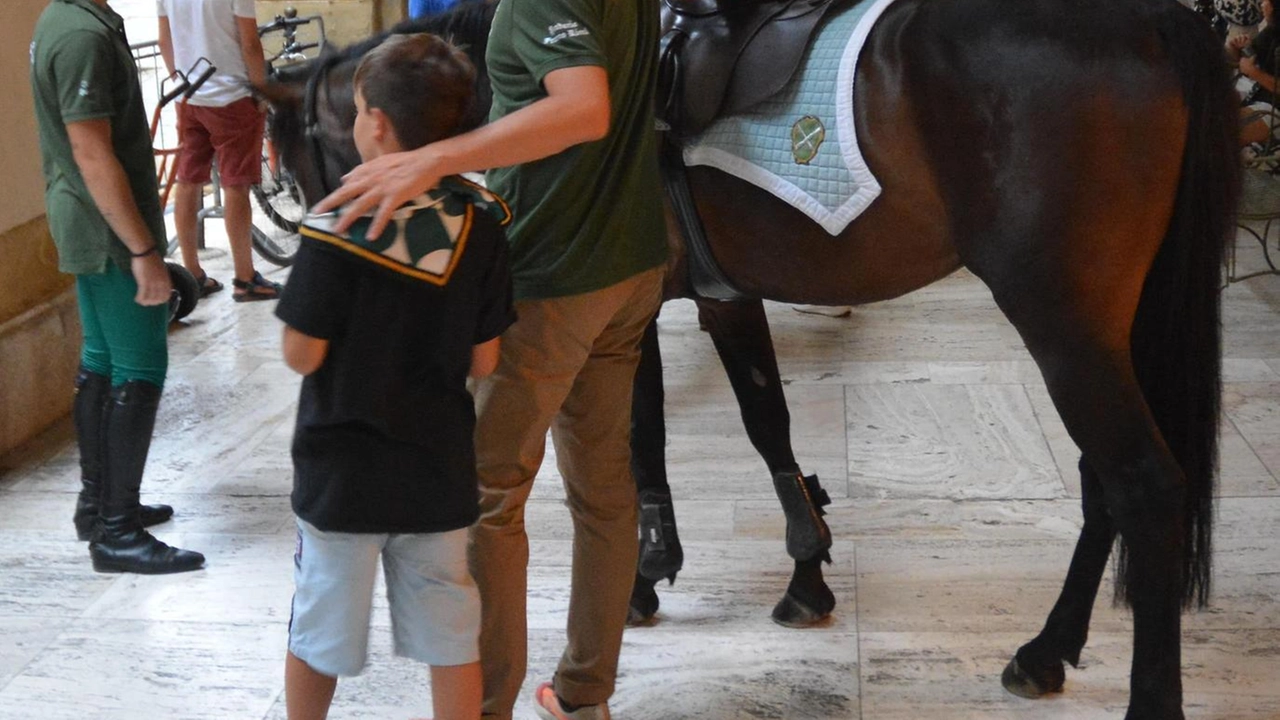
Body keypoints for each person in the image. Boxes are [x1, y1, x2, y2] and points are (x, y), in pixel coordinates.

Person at [313, 0, 668, 717]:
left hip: (553, 280)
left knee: (489, 499)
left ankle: (485, 707)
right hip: (629, 264)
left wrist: (437, 156)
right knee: (603, 491)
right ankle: (583, 694)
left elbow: (584, 109)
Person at [275, 33, 516, 720]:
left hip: (342, 479)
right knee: (450, 634)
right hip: (436, 473)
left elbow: (302, 355)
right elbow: (485, 361)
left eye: (355, 110)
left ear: (375, 124)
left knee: (319, 629)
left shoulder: (335, 223)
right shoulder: (482, 226)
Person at [29, 0, 205, 574]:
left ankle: (97, 507)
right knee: (140, 367)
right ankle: (117, 532)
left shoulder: (68, 17)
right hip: (105, 227)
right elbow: (90, 150)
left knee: (102, 360)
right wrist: (144, 252)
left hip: (86, 216)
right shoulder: (81, 31)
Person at [158, 0, 283, 301]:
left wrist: (179, 81)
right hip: (232, 94)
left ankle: (192, 274)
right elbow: (250, 43)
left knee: (187, 180)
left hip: (188, 94)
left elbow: (165, 41)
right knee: (236, 184)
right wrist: (261, 92)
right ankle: (245, 277)